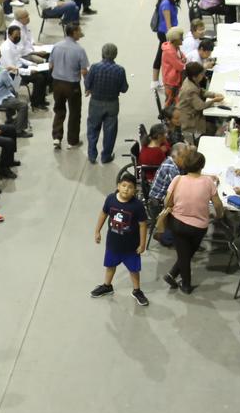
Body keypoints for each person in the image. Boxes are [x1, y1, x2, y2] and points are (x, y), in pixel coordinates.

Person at [162, 150, 223, 294]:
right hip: (198, 227)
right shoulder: (208, 182)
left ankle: (172, 275)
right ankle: (186, 285)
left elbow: (167, 202)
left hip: (177, 222)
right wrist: (219, 216)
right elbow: (218, 204)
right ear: (202, 166)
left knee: (184, 253)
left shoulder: (177, 179)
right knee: (187, 253)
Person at [91, 173, 149, 304]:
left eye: (130, 187)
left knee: (134, 269)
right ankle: (107, 286)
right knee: (110, 266)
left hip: (131, 247)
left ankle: (137, 290)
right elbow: (103, 214)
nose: (126, 189)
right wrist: (97, 231)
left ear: (135, 191)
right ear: (118, 186)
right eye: (123, 185)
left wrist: (142, 244)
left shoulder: (137, 206)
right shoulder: (110, 199)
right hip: (113, 244)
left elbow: (143, 225)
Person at [84, 43, 129, 164]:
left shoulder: (94, 67)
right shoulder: (120, 70)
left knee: (93, 129)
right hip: (112, 103)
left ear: (102, 53)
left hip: (96, 103)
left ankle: (92, 155)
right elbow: (124, 89)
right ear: (115, 55)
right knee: (110, 131)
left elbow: (87, 84)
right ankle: (106, 156)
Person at [49, 22, 90, 149]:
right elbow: (84, 71)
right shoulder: (79, 50)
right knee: (74, 112)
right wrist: (87, 86)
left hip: (57, 83)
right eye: (79, 30)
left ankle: (57, 137)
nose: (81, 32)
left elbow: (51, 65)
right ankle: (72, 141)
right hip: (72, 85)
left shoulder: (56, 46)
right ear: (74, 32)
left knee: (59, 110)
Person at [0, 45, 32, 136]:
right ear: (0, 56)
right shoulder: (2, 72)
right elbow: (9, 84)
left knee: (12, 94)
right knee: (23, 105)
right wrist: (12, 72)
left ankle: (10, 119)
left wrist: (7, 69)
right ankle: (19, 130)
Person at [1, 23, 50, 109]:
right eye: (16, 35)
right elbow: (12, 68)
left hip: (20, 68)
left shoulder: (14, 44)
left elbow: (19, 58)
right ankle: (36, 103)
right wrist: (28, 71)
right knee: (39, 78)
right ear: (9, 35)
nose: (18, 36)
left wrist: (31, 64)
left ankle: (41, 99)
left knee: (44, 72)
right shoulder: (6, 48)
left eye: (19, 34)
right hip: (13, 74)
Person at [174, 62, 223, 141]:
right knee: (212, 127)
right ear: (194, 77)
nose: (203, 76)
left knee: (213, 121)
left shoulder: (189, 80)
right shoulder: (190, 89)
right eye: (201, 74)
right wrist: (214, 100)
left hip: (192, 112)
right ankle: (202, 142)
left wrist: (214, 94)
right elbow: (200, 106)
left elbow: (200, 91)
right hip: (189, 118)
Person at [152, 0, 181, 76]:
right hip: (166, 33)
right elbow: (168, 25)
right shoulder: (166, 4)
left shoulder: (170, 2)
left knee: (161, 55)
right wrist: (172, 39)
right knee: (163, 56)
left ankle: (155, 80)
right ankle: (156, 80)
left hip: (167, 32)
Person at [159, 27, 188, 107]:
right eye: (181, 38)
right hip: (171, 81)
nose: (183, 40)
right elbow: (179, 66)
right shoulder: (170, 51)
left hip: (176, 79)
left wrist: (183, 59)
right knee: (170, 101)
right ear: (175, 40)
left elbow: (182, 56)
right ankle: (166, 114)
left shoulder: (176, 47)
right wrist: (183, 62)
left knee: (175, 100)